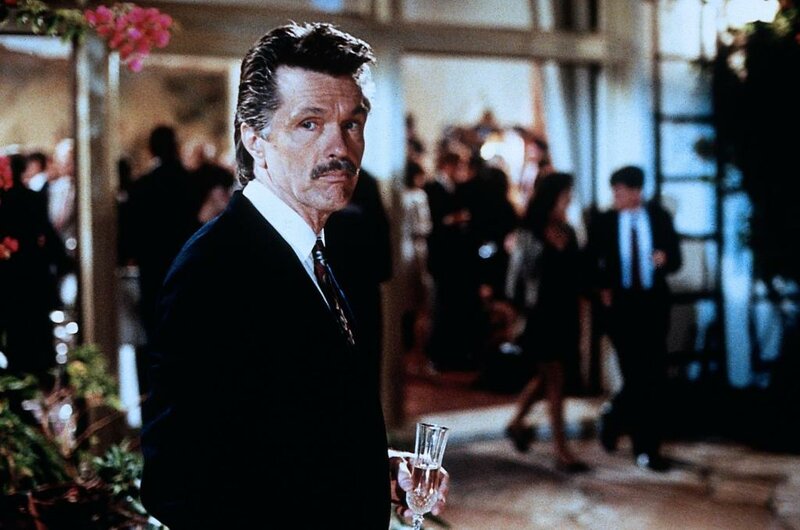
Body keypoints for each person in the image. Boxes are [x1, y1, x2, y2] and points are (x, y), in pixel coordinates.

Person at [140, 22, 448, 529]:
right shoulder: (215, 270)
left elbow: (289, 428)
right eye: (309, 123)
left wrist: (372, 470)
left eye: (352, 123)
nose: (339, 147)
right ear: (254, 139)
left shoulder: (319, 251)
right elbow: (178, 481)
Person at [587, 165, 682, 472]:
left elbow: (676, 259)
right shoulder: (605, 222)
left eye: (620, 191)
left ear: (636, 192)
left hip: (652, 306)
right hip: (622, 308)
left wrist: (665, 259)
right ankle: (622, 425)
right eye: (614, 191)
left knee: (652, 376)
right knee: (635, 375)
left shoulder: (659, 217)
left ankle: (644, 445)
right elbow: (589, 263)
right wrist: (601, 288)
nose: (615, 197)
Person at [503, 172, 589, 473]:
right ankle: (562, 449)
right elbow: (515, 280)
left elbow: (578, 274)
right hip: (539, 315)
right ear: (552, 197)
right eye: (565, 195)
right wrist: (515, 316)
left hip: (565, 313)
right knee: (555, 379)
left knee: (546, 378)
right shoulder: (529, 233)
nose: (569, 200)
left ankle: (515, 423)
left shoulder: (570, 231)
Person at [126, 125, 197, 394]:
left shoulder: (142, 185)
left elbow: (131, 234)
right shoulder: (189, 182)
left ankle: (155, 396)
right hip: (188, 270)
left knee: (155, 339)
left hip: (153, 272)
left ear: (151, 149)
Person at [0, 153, 66, 387]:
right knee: (37, 342)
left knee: (14, 343)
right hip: (34, 282)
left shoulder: (5, 202)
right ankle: (41, 388)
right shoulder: (33, 198)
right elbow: (48, 238)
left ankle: (17, 389)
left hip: (8, 284)